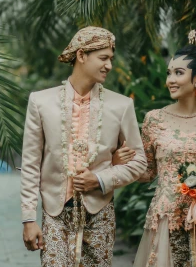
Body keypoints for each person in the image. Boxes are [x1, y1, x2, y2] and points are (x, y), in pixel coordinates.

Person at [115, 21, 196, 267]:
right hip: (166, 219)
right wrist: (122, 162)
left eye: (178, 73)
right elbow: (149, 172)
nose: (170, 80)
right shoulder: (154, 119)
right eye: (168, 73)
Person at [21, 26, 148, 266]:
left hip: (99, 212)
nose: (109, 65)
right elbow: (30, 164)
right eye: (103, 58)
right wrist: (28, 219)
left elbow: (140, 162)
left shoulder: (121, 106)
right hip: (54, 213)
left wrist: (101, 179)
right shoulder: (41, 101)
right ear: (81, 56)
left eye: (111, 58)